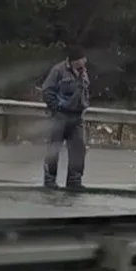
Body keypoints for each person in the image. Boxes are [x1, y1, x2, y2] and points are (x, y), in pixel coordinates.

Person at [40, 47, 90, 189]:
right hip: (60, 116)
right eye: (82, 59)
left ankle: (74, 180)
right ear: (75, 60)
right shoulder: (58, 71)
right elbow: (47, 90)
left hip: (77, 117)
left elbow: (85, 91)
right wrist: (56, 107)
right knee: (54, 148)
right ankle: (50, 180)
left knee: (78, 149)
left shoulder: (84, 73)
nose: (85, 61)